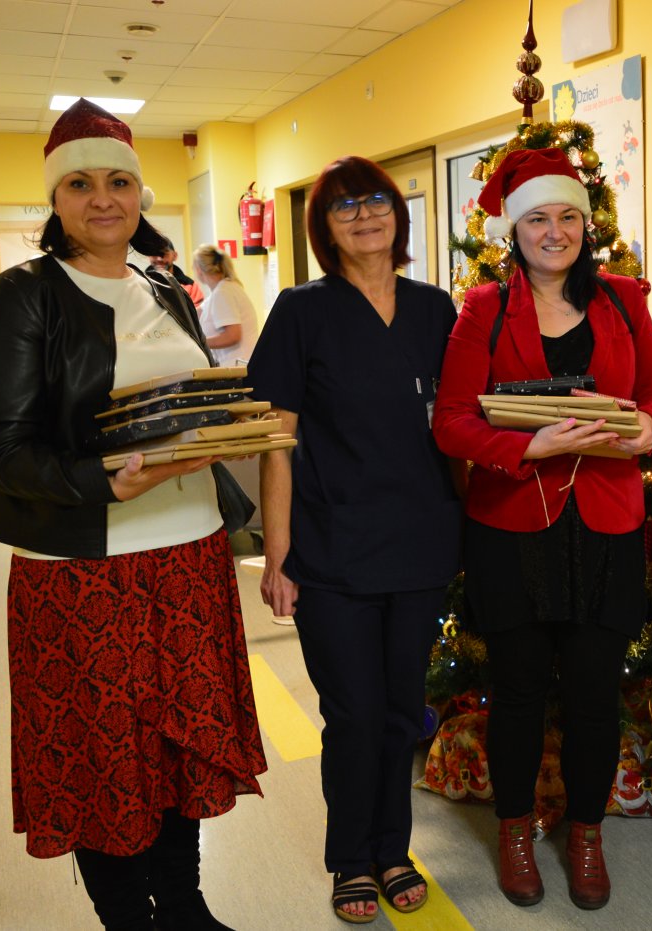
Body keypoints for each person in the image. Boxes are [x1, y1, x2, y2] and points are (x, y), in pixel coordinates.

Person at [0, 98, 266, 931]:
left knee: (178, 749)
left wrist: (216, 432)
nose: (105, 199)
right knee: (107, 764)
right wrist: (103, 482)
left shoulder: (162, 284)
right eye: (82, 184)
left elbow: (181, 401)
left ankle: (189, 908)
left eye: (121, 181)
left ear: (141, 194)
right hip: (86, 574)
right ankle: (130, 919)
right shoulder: (18, 300)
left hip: (189, 554)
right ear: (55, 200)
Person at [432, 147, 652, 911]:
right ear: (514, 228)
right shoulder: (484, 309)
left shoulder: (624, 301)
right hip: (513, 528)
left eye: (568, 215)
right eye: (538, 217)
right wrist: (525, 446)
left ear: (586, 224)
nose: (556, 230)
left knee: (598, 694)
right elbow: (452, 423)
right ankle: (513, 831)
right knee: (519, 694)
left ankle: (586, 835)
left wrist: (646, 431)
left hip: (605, 522)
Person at [247, 156, 462, 924]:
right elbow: (276, 440)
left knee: (403, 710)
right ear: (324, 227)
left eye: (378, 200)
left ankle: (393, 848)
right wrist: (276, 557)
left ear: (399, 214)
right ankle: (350, 857)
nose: (366, 215)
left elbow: (465, 423)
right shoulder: (301, 311)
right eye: (345, 207)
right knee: (355, 712)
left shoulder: (436, 308)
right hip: (331, 546)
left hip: (420, 542)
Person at [191, 244, 257, 365]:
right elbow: (192, 313)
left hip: (239, 367)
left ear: (199, 271)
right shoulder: (221, 291)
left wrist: (196, 343)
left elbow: (233, 336)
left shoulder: (223, 292)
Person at [147, 240, 205, 309]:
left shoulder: (191, 286)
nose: (159, 259)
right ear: (148, 256)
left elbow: (198, 316)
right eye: (154, 254)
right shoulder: (141, 283)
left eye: (164, 253)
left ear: (174, 256)